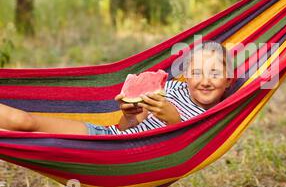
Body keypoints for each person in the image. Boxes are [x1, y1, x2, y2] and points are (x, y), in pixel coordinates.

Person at [0, 41, 234, 135]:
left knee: (25, 125)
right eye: (196, 73)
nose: (205, 80)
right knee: (24, 123)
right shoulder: (171, 88)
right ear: (186, 76)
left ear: (229, 80)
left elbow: (189, 146)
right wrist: (129, 113)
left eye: (214, 73)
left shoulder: (220, 113)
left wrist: (174, 119)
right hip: (106, 139)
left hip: (123, 158)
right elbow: (126, 126)